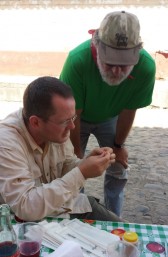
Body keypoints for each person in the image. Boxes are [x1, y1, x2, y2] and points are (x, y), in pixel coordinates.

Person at [59, 11, 156, 216]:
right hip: (76, 119)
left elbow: (129, 110)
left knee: (119, 166)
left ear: (138, 52)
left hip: (111, 117)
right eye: (110, 63)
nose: (116, 71)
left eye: (124, 64)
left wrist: (118, 145)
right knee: (73, 166)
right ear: (96, 46)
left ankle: (113, 217)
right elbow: (71, 115)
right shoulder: (78, 61)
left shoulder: (146, 67)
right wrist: (77, 153)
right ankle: (78, 212)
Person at [0, 76, 123, 222]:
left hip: (61, 206)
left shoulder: (56, 130)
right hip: (20, 222)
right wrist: (81, 173)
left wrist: (85, 164)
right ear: (35, 122)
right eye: (65, 121)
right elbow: (26, 207)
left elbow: (65, 165)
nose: (72, 126)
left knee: (122, 231)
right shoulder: (7, 141)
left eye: (73, 118)